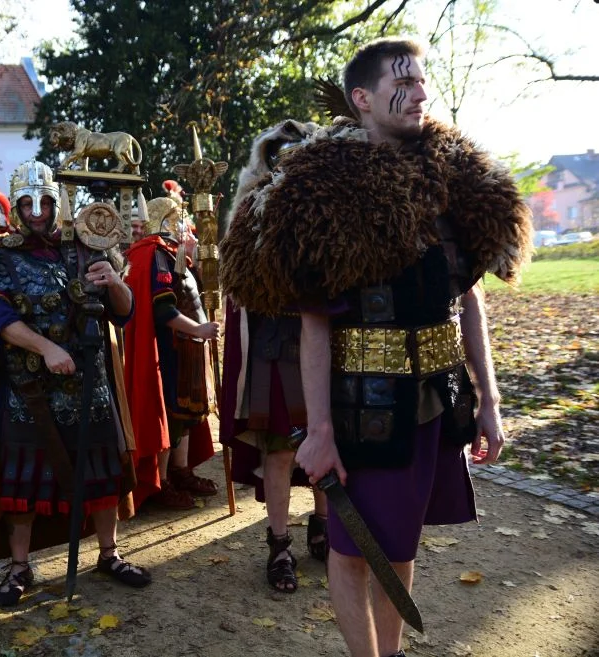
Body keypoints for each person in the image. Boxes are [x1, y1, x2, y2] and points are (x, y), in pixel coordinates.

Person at [220, 38, 532, 657]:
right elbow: (315, 325)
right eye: (403, 81)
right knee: (352, 548)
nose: (420, 92)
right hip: (359, 407)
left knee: (399, 544)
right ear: (362, 98)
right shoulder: (323, 193)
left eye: (421, 80)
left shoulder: (455, 181)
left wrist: (490, 401)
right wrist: (320, 430)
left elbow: (468, 301)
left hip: (434, 404)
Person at [0, 160, 150, 607]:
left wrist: (115, 281)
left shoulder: (85, 246)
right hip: (31, 390)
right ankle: (20, 566)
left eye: (45, 200)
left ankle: (109, 553)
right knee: (23, 483)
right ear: (17, 205)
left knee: (101, 472)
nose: (38, 210)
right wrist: (46, 348)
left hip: (89, 383)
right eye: (28, 202)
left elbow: (125, 312)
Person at [220, 122, 330, 593]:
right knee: (282, 453)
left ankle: (325, 529)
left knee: (329, 448)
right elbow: (239, 279)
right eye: (279, 158)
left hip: (323, 346)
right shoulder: (252, 211)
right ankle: (280, 543)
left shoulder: (328, 210)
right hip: (276, 347)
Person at [124, 193, 218, 509]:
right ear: (167, 222)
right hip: (166, 350)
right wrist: (199, 330)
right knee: (169, 415)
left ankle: (180, 471)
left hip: (183, 349)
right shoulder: (155, 255)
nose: (184, 226)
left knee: (186, 414)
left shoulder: (167, 252)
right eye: (179, 219)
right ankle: (161, 482)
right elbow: (163, 310)